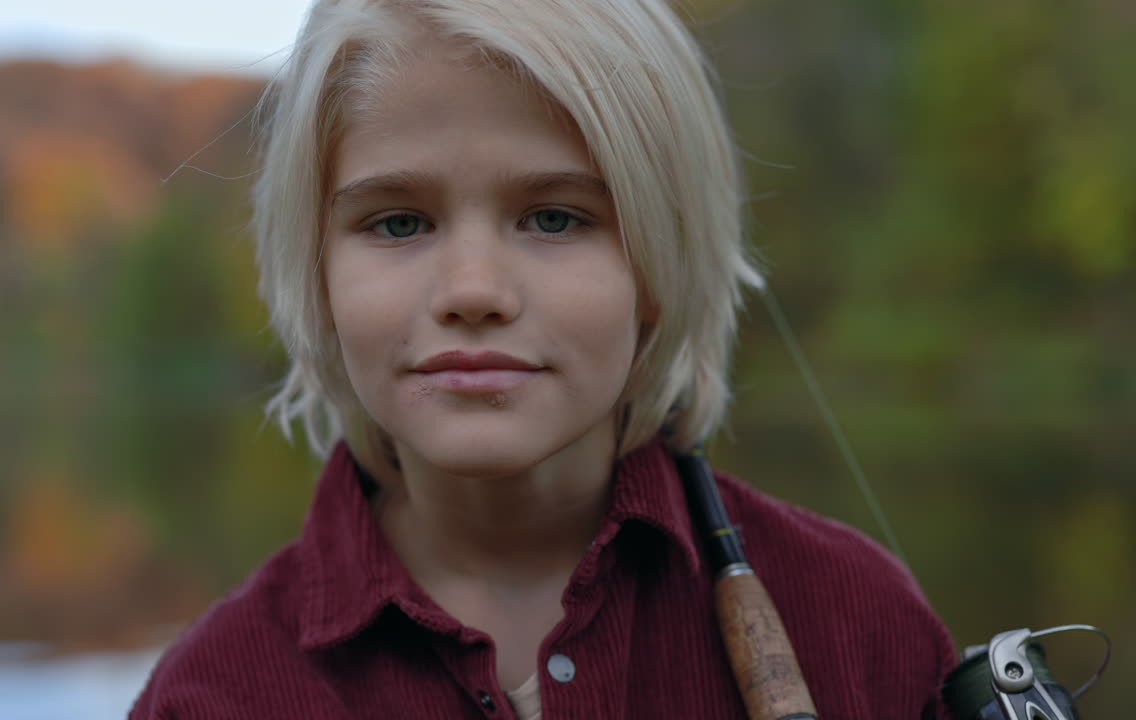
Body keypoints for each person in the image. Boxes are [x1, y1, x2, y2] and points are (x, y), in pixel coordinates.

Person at [131, 0, 956, 717]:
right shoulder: (209, 693)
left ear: (658, 269)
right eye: (397, 223)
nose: (474, 290)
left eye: (555, 219)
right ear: (317, 277)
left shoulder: (861, 620)